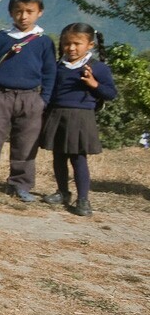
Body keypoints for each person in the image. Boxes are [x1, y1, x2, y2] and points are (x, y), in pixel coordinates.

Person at [0, 0, 57, 202]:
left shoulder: (43, 41)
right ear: (11, 12)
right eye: (19, 11)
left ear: (40, 12)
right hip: (0, 95)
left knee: (26, 144)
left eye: (30, 11)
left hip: (31, 98)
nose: (24, 16)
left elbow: (49, 72)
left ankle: (20, 184)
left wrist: (43, 100)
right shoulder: (1, 38)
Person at [40, 24, 117, 216]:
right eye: (67, 43)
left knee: (78, 158)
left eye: (77, 43)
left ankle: (83, 199)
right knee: (58, 156)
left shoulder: (97, 67)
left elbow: (110, 93)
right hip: (57, 114)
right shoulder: (59, 66)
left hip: (81, 117)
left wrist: (94, 84)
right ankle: (63, 192)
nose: (71, 48)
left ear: (90, 44)